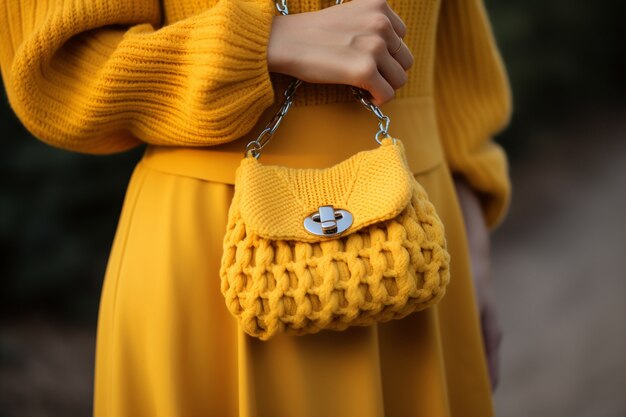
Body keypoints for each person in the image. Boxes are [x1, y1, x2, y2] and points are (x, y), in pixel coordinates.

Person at [0, 0, 511, 415]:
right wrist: (265, 41)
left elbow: (457, 69)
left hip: (416, 246)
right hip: (209, 253)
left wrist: (475, 248)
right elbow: (57, 68)